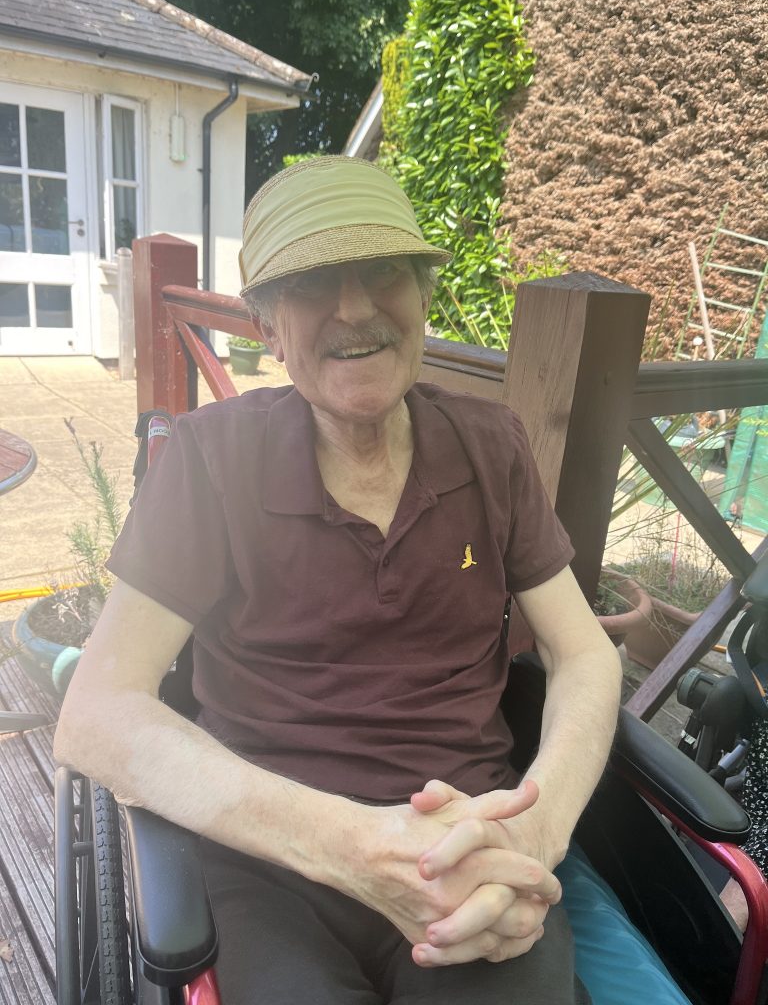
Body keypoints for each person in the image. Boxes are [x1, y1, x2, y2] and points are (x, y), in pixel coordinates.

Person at [54, 155, 622, 1004]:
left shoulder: (492, 446)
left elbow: (586, 654)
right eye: (313, 283)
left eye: (385, 270)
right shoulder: (213, 460)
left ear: (423, 297)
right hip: (270, 857)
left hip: (466, 845)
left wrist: (537, 830)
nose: (355, 308)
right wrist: (357, 849)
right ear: (269, 328)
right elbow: (96, 715)